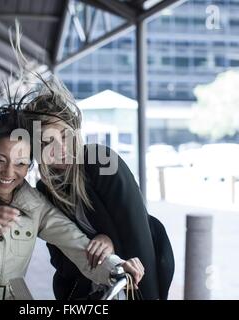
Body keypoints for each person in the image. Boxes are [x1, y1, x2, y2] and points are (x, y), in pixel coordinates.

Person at [0, 104, 144, 300]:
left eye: (20, 163)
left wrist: (116, 267)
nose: (9, 172)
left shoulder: (34, 204)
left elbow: (76, 244)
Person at [23, 78, 175, 300]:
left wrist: (109, 241)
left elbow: (138, 236)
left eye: (65, 136)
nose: (60, 148)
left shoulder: (101, 163)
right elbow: (61, 261)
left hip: (137, 278)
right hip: (89, 291)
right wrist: (93, 247)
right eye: (47, 143)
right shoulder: (45, 190)